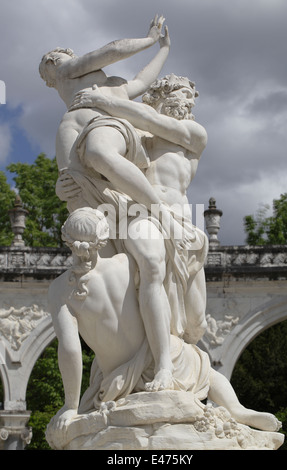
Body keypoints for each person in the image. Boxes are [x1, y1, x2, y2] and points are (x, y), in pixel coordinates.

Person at [43, 21, 192, 392]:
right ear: (49, 79)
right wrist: (64, 189)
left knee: (151, 262)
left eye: (59, 57)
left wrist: (154, 43)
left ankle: (164, 368)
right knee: (120, 278)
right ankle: (130, 366)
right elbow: (140, 81)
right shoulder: (69, 109)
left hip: (112, 148)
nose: (55, 61)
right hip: (95, 200)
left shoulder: (100, 85)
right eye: (50, 62)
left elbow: (113, 53)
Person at [47, 207, 281, 435]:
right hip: (161, 354)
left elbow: (70, 349)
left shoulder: (59, 290)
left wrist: (71, 406)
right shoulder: (124, 263)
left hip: (118, 379)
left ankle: (236, 409)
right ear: (103, 237)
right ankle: (237, 409)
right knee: (201, 365)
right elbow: (153, 293)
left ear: (67, 239)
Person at [67, 73, 209, 345]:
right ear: (159, 95)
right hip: (139, 215)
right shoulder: (133, 135)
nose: (190, 101)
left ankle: (183, 365)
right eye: (182, 93)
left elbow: (152, 120)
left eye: (191, 96)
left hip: (183, 226)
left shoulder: (194, 134)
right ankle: (155, 359)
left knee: (196, 325)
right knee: (146, 277)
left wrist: (101, 99)